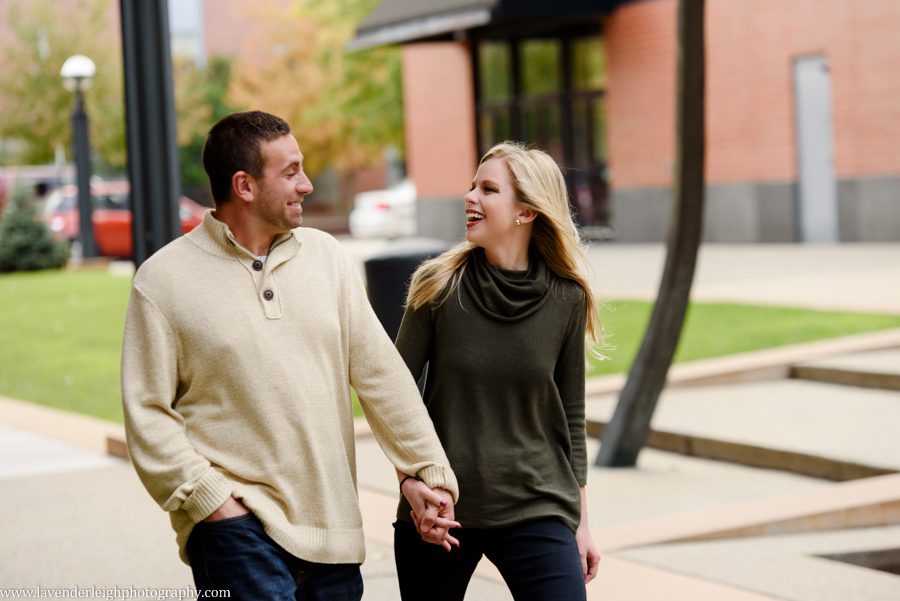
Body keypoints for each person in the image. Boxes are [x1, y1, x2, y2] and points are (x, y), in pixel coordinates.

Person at [121, 110, 459, 600]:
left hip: (333, 534)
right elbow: (147, 412)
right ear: (245, 185)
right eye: (290, 171)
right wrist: (210, 500)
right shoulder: (163, 281)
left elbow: (381, 376)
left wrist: (425, 469)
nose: (305, 184)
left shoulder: (327, 259)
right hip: (235, 531)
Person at [392, 142, 602, 600]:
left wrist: (581, 524)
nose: (469, 197)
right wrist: (410, 484)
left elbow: (572, 417)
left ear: (526, 211)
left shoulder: (568, 298)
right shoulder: (438, 286)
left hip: (538, 504)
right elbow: (393, 398)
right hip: (442, 509)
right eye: (472, 186)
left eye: (488, 189)